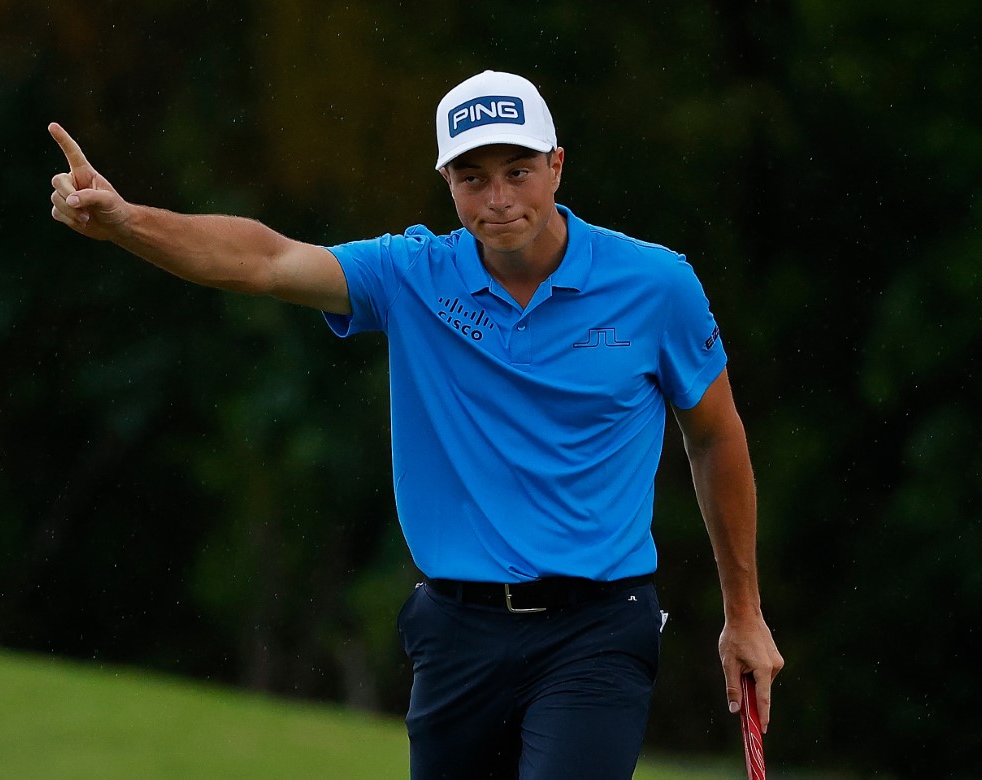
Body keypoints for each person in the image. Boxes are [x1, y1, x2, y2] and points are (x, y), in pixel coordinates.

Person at [49, 70, 783, 779]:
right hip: (458, 632)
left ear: (557, 166)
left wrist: (742, 613)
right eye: (472, 178)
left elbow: (715, 434)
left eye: (518, 170)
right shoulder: (411, 275)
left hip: (596, 626)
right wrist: (126, 222)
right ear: (448, 184)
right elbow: (266, 262)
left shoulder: (655, 285)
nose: (497, 199)